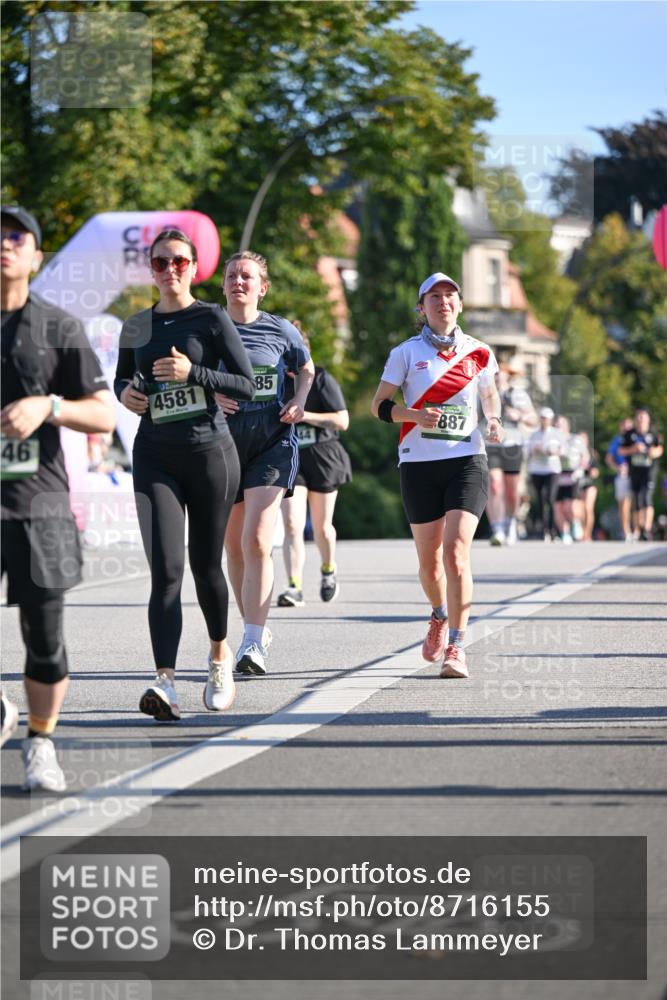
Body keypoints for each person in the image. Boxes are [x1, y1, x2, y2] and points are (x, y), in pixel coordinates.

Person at [115, 228, 255, 721]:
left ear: (194, 268)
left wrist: (193, 374)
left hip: (209, 455)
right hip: (155, 455)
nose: (169, 270)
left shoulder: (210, 318)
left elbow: (246, 384)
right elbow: (122, 379)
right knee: (166, 572)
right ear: (150, 270)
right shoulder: (135, 324)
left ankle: (220, 656)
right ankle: (165, 682)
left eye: (178, 262)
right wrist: (125, 396)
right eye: (160, 263)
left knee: (204, 566)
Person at [1, 205, 115, 789]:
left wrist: (47, 406)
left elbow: (102, 412)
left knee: (43, 639)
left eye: (16, 236)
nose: (4, 244)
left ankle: (40, 742)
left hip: (38, 505)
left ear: (35, 255)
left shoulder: (58, 327)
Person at [371, 272, 502, 680]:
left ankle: (458, 646)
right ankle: (439, 614)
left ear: (460, 305)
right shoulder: (405, 353)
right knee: (430, 565)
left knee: (457, 551)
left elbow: (489, 393)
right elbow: (379, 405)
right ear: (421, 307)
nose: (443, 301)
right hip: (419, 463)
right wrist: (412, 414)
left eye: (450, 295)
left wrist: (494, 419)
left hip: (466, 459)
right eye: (435, 296)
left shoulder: (479, 352)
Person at [216, 251, 314, 676]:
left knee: (257, 539)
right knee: (233, 546)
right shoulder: (206, 326)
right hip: (220, 445)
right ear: (223, 285)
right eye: (232, 275)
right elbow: (186, 375)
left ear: (262, 287)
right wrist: (208, 395)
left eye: (247, 276)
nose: (239, 281)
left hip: (271, 442)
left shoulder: (281, 329)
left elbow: (306, 369)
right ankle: (252, 628)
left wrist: (298, 401)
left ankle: (252, 643)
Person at [277, 325, 352, 606]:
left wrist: (305, 415)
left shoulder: (321, 378)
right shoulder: (276, 380)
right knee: (292, 524)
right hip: (290, 458)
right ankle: (293, 586)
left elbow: (342, 421)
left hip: (322, 456)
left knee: (322, 527)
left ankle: (328, 569)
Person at [485, 360, 536, 546]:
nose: (497, 375)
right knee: (495, 485)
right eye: (494, 372)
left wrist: (520, 415)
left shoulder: (518, 395)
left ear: (508, 375)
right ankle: (497, 528)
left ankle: (510, 522)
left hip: (513, 445)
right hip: (491, 445)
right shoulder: (484, 392)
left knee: (512, 492)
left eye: (500, 372)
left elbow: (533, 420)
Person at [618, 408, 664, 541]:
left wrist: (653, 452)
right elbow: (620, 451)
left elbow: (660, 449)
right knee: (637, 499)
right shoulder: (629, 434)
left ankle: (647, 528)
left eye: (643, 417)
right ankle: (639, 528)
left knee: (646, 497)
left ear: (648, 419)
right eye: (638, 417)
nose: (640, 420)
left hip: (649, 471)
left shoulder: (653, 433)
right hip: (635, 471)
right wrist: (633, 449)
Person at [526, 407, 563, 541]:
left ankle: (553, 530)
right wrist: (536, 450)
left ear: (550, 420)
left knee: (550, 499)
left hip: (552, 469)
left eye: (546, 419)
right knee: (541, 499)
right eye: (542, 418)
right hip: (537, 470)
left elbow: (563, 450)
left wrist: (552, 452)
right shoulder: (534, 434)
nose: (544, 421)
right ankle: (543, 530)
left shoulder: (556, 434)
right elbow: (527, 452)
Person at [554, 415, 588, 543]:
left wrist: (580, 470)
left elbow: (585, 457)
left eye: (560, 425)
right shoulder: (551, 441)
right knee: (558, 507)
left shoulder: (576, 439)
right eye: (556, 425)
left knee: (570, 505)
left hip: (573, 476)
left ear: (567, 426)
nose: (558, 428)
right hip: (557, 477)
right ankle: (565, 532)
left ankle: (575, 523)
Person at [605, 417, 634, 540]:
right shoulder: (617, 440)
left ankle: (638, 529)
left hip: (637, 475)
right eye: (624, 425)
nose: (626, 428)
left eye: (629, 426)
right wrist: (617, 468)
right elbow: (609, 458)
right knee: (624, 504)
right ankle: (626, 531)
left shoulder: (637, 438)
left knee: (638, 503)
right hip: (622, 475)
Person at [577, 432, 600, 542]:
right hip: (579, 484)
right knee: (580, 510)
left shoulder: (591, 454)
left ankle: (588, 533)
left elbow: (596, 472)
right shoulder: (574, 454)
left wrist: (590, 470)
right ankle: (582, 531)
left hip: (590, 484)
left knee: (588, 508)